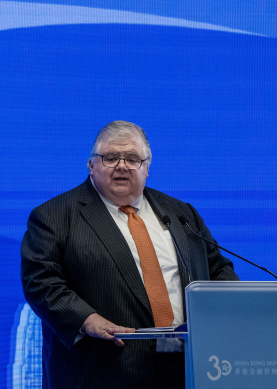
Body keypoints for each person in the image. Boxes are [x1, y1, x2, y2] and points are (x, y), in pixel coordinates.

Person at [21, 120, 238, 389]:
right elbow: (41, 282)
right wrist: (87, 319)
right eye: (110, 157)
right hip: (103, 370)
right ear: (91, 165)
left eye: (133, 158)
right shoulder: (54, 216)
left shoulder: (182, 214)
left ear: (147, 169)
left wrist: (217, 315)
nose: (122, 165)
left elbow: (218, 270)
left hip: (189, 367)